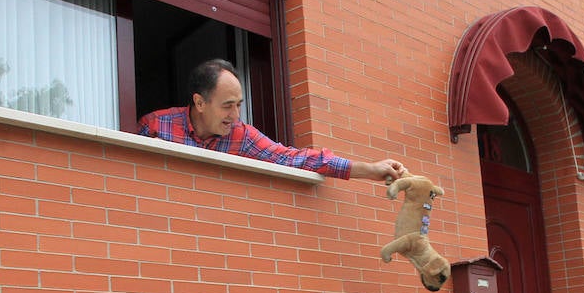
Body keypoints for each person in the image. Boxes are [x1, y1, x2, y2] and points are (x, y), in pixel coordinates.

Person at [137, 59, 404, 181]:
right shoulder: (154, 126)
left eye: (239, 105)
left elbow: (294, 158)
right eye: (227, 106)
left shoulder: (241, 136)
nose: (235, 116)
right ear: (199, 102)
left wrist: (368, 170)